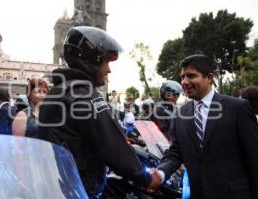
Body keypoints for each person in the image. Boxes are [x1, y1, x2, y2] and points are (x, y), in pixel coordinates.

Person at [37, 26, 160, 198]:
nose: (109, 70)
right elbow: (114, 147)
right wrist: (145, 177)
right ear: (92, 61)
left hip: (55, 186)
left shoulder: (57, 92)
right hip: (80, 190)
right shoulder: (85, 97)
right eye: (106, 62)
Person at [155, 54, 258, 199]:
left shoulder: (238, 108)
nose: (184, 82)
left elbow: (254, 158)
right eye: (183, 77)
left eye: (191, 76)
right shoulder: (180, 115)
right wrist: (160, 173)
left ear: (209, 78)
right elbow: (175, 153)